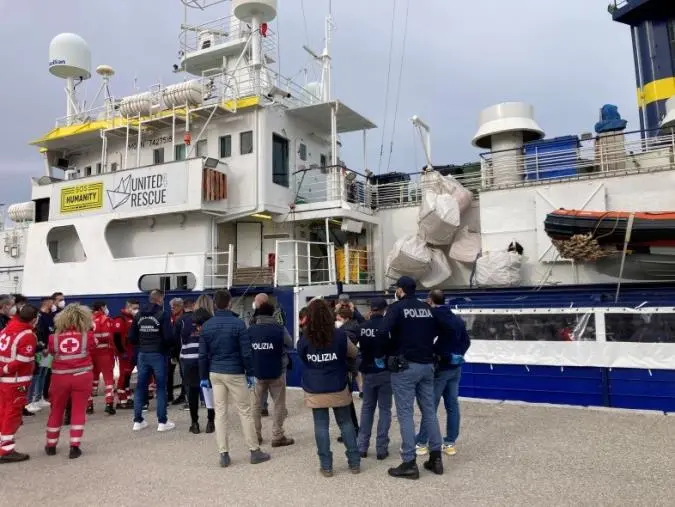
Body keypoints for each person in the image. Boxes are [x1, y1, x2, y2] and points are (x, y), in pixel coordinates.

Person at [199, 289, 270, 467]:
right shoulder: (238, 324)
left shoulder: (207, 326)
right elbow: (246, 353)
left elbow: (202, 355)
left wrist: (203, 376)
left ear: (215, 304)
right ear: (229, 303)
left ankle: (223, 454)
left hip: (215, 373)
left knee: (220, 413)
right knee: (244, 411)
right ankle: (254, 451)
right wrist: (251, 372)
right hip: (235, 372)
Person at [383, 276, 445, 479]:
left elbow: (383, 332)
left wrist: (389, 352)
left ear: (400, 290)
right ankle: (436, 458)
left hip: (405, 368)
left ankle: (409, 462)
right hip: (427, 366)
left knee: (405, 414)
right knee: (429, 411)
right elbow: (438, 331)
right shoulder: (427, 308)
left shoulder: (397, 308)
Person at [298, 299, 361, 477]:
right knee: (346, 423)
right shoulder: (340, 335)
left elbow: (302, 358)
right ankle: (354, 462)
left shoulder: (304, 339)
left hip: (314, 387)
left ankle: (326, 466)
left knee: (321, 426)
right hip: (338, 385)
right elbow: (354, 353)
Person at [415, 290, 471, 457]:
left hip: (441, 368)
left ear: (430, 300)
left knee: (430, 406)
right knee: (452, 406)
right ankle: (450, 443)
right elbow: (466, 341)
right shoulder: (455, 317)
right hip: (456, 367)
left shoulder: (433, 315)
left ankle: (422, 442)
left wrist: (436, 354)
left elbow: (426, 337)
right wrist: (457, 355)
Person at [45, 304, 97, 459]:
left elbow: (52, 353)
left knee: (56, 410)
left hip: (60, 378)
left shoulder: (53, 338)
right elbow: (92, 349)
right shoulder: (87, 336)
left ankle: (51, 444)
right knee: (78, 410)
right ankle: (74, 446)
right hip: (82, 377)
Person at [129, 289, 175, 432]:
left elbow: (131, 337)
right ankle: (162, 421)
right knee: (161, 387)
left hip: (143, 354)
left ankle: (138, 421)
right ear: (160, 299)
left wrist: (142, 344)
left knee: (140, 387)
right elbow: (168, 337)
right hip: (158, 354)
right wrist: (166, 348)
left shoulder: (138, 315)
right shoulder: (163, 314)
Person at [249, 302, 294, 448]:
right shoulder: (279, 329)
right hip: (277, 371)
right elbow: (290, 343)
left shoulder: (251, 330)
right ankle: (277, 435)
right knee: (279, 404)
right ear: (272, 314)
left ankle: (256, 436)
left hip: (257, 372)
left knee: (256, 405)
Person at [0, 304, 38, 463]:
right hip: (16, 381)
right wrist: (5, 370)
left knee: (3, 412)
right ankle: (6, 449)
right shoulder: (27, 335)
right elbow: (24, 359)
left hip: (4, 381)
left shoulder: (6, 330)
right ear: (33, 319)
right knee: (13, 414)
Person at [355, 298, 392, 460]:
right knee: (385, 410)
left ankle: (362, 446)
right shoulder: (388, 327)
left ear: (371, 309)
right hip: (385, 372)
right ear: (385, 309)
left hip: (367, 372)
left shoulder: (362, 327)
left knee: (367, 408)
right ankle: (381, 448)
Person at [180, 307, 215, 434]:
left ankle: (194, 423)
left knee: (192, 393)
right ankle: (211, 422)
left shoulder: (185, 324)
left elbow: (180, 340)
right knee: (209, 391)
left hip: (189, 361)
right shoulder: (211, 327)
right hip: (206, 361)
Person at [334, 306, 360, 442]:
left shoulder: (346, 332)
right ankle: (354, 428)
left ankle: (352, 430)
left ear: (345, 317)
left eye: (338, 317)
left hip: (346, 367)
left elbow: (348, 351)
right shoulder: (354, 327)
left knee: (347, 402)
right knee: (348, 402)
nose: (336, 319)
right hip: (351, 366)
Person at [25, 297, 55, 414]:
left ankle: (39, 397)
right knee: (37, 374)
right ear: (46, 303)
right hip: (41, 350)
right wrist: (43, 347)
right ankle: (31, 400)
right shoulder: (40, 317)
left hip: (48, 349)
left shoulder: (50, 316)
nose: (53, 305)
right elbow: (40, 332)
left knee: (43, 373)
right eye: (51, 302)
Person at [112, 299, 140, 409]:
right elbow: (116, 337)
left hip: (132, 350)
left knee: (128, 375)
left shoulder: (133, 319)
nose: (136, 310)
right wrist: (122, 351)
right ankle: (121, 399)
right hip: (125, 352)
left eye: (137, 308)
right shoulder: (121, 319)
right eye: (134, 308)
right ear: (128, 307)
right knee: (124, 375)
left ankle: (127, 397)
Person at [90, 301, 116, 415]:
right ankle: (109, 403)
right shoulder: (105, 320)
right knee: (108, 378)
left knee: (91, 377)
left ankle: (89, 405)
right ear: (102, 308)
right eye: (105, 307)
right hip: (104, 352)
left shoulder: (87, 320)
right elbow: (108, 336)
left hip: (91, 352)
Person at [168, 298, 185, 404]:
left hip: (182, 349)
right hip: (172, 349)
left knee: (184, 373)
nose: (172, 309)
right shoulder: (170, 317)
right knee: (169, 372)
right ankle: (169, 394)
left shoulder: (184, 318)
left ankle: (183, 395)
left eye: (173, 307)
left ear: (179, 306)